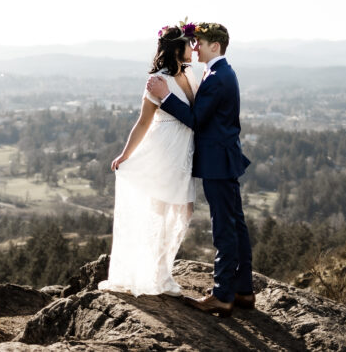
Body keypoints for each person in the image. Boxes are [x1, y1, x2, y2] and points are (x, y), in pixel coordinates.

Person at [146, 22, 254, 317]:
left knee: (224, 227)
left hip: (218, 161)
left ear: (215, 46)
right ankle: (243, 290)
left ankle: (222, 295)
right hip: (225, 157)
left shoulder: (218, 77)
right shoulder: (219, 72)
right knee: (236, 224)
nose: (195, 48)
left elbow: (195, 119)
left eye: (200, 43)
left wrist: (165, 97)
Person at [98, 21, 199, 296]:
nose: (193, 47)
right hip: (163, 152)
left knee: (183, 211)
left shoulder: (191, 76)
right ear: (177, 47)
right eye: (189, 43)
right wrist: (125, 154)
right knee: (162, 212)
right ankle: (156, 276)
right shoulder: (158, 80)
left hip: (183, 154)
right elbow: (143, 123)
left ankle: (161, 270)